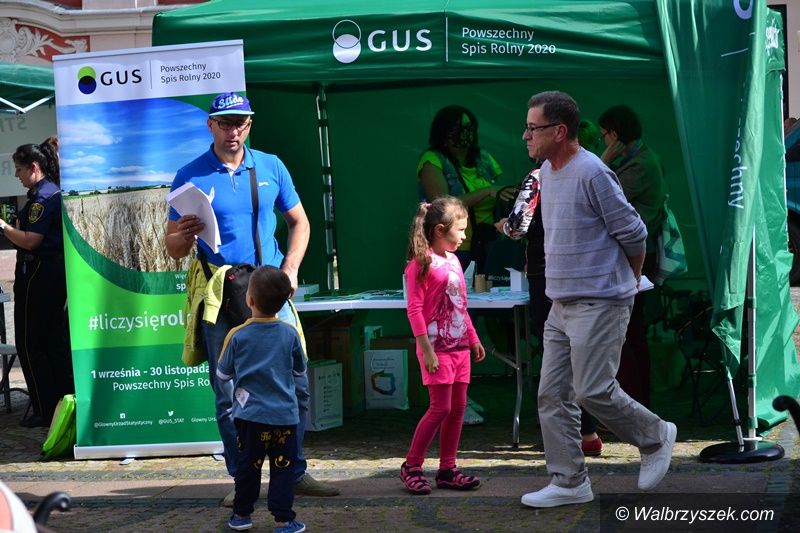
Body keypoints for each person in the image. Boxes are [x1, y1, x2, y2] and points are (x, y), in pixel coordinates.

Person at [165, 92, 338, 502]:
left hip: (269, 288)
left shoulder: (270, 165)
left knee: (294, 383)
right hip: (220, 292)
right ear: (210, 125)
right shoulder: (189, 175)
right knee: (227, 392)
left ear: (250, 125)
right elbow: (172, 247)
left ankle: (294, 472)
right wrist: (182, 236)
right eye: (225, 123)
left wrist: (290, 269)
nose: (233, 131)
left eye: (240, 123)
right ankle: (243, 480)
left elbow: (300, 222)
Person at [519, 91, 676, 508]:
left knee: (593, 390)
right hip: (561, 304)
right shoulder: (547, 172)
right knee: (552, 396)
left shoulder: (593, 172)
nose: (526, 136)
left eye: (533, 128)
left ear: (559, 131)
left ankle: (656, 435)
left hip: (600, 300)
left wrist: (631, 280)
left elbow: (635, 233)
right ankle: (569, 482)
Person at [495, 119, 604, 457]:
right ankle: (588, 431)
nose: (527, 137)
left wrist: (503, 224)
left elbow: (518, 226)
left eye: (533, 132)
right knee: (581, 356)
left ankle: (572, 434)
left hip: (547, 276)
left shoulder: (539, 176)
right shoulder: (593, 173)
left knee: (557, 358)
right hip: (588, 274)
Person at [416, 105, 513, 425]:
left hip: (488, 248)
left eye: (469, 128)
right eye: (457, 129)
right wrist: (486, 192)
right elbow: (441, 207)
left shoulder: (484, 159)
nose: (464, 136)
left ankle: (480, 388)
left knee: (492, 316)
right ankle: (450, 399)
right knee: (448, 327)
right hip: (451, 253)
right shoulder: (432, 161)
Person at [400, 196, 485, 495]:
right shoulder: (419, 265)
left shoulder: (454, 261)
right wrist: (426, 350)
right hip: (436, 350)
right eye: (460, 230)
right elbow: (414, 310)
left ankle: (447, 469)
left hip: (459, 349)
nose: (464, 235)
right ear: (439, 230)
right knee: (440, 407)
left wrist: (473, 338)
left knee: (458, 407)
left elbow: (460, 305)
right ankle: (412, 466)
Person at [217, 266, 307, 533]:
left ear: (250, 300)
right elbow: (300, 370)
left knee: (248, 467)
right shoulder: (290, 333)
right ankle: (283, 519)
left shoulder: (237, 335)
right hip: (285, 418)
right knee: (283, 469)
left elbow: (222, 374)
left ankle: (241, 515)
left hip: (250, 418)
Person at [1, 137, 72, 428]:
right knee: (53, 342)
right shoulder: (49, 192)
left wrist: (3, 226)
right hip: (50, 274)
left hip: (38, 274)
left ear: (33, 167)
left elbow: (31, 240)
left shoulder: (43, 198)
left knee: (30, 344)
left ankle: (44, 408)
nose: (17, 175)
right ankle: (61, 406)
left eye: (19, 169)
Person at [598, 105, 666, 408]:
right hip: (632, 254)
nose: (602, 141)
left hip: (636, 256)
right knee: (629, 330)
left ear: (614, 135)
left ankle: (635, 401)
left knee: (628, 330)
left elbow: (603, 198)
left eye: (603, 135)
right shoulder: (638, 158)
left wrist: (603, 161)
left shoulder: (641, 165)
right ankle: (634, 400)